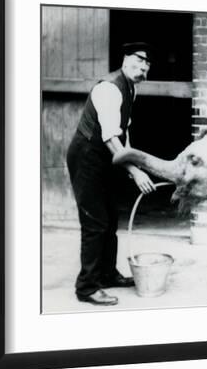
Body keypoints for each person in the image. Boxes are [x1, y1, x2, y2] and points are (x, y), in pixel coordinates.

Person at [66, 42, 156, 306]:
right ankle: (87, 287)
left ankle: (107, 274)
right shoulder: (109, 89)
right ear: (125, 58)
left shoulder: (130, 90)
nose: (143, 67)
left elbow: (122, 134)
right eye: (139, 60)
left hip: (106, 158)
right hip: (87, 157)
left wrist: (133, 164)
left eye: (148, 64)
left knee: (110, 219)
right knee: (95, 223)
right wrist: (134, 171)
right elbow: (108, 136)